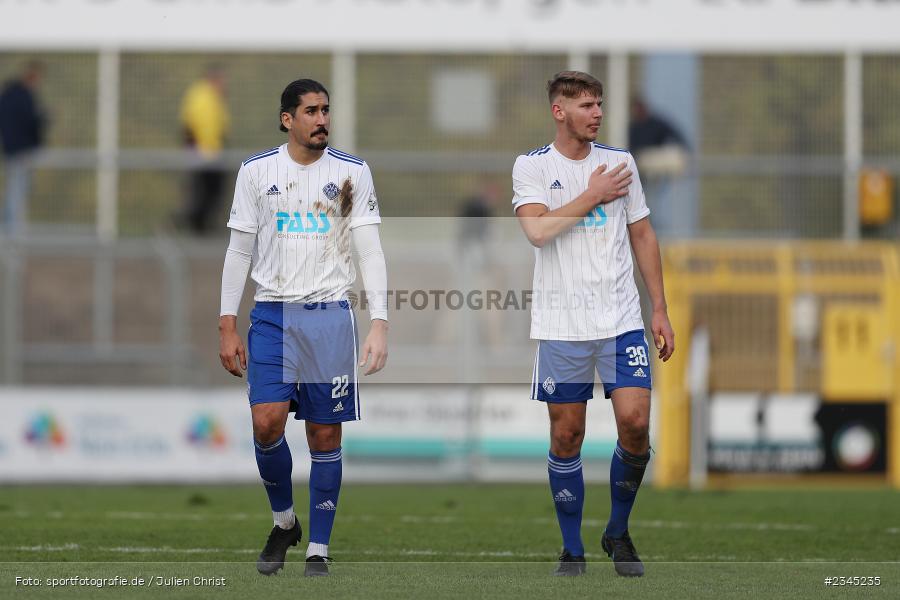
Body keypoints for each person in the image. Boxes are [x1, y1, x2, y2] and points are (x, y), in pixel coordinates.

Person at [217, 78, 388, 577]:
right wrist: (227, 324)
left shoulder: (353, 173)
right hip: (271, 314)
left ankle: (318, 547)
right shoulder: (256, 172)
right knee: (266, 422)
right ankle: (284, 521)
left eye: (326, 110)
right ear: (287, 119)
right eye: (311, 111)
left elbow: (370, 250)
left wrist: (380, 322)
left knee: (324, 434)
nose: (322, 120)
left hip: (330, 316)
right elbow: (238, 251)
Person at [511, 71, 675, 578]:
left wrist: (660, 308)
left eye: (599, 103)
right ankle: (571, 548)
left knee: (636, 423)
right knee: (568, 435)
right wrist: (592, 194)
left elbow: (643, 235)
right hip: (562, 324)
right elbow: (539, 230)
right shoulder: (533, 166)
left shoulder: (620, 164)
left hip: (621, 319)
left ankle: (618, 531)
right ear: (559, 111)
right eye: (585, 105)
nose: (597, 113)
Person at [179, 65, 230, 234]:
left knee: (208, 192)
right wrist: (204, 150)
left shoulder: (209, 96)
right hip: (205, 154)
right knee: (206, 192)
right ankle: (193, 226)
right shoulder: (203, 97)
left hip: (209, 152)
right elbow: (196, 126)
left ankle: (197, 226)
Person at [0, 61, 45, 236]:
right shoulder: (23, 96)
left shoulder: (8, 94)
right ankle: (11, 234)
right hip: (20, 152)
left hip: (12, 150)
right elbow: (31, 123)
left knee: (15, 192)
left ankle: (11, 231)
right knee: (16, 194)